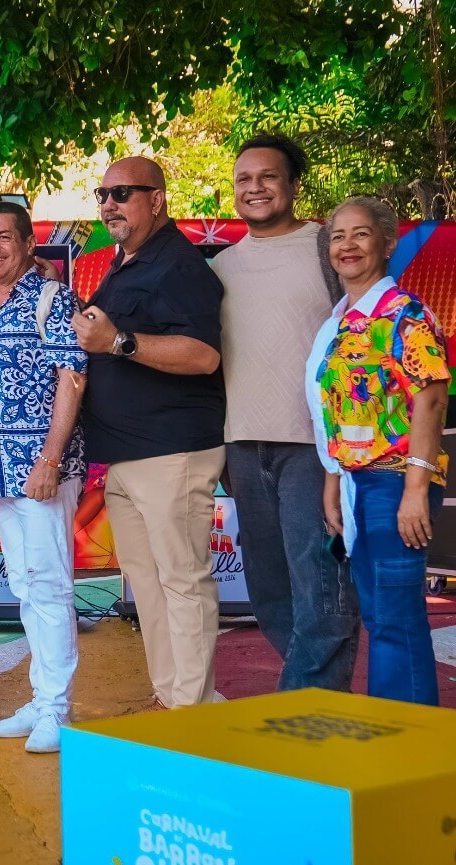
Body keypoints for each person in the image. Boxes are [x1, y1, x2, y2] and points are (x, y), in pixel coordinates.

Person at [71, 156, 226, 709]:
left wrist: (119, 343)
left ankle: (192, 709)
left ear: (156, 199)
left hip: (172, 452)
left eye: (122, 193)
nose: (108, 204)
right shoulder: (127, 263)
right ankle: (172, 697)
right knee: (150, 586)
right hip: (126, 456)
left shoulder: (179, 265)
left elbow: (204, 355)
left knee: (182, 581)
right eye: (102, 195)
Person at [211, 134, 359, 692]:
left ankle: (307, 706)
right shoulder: (221, 266)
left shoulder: (329, 249)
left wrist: (345, 450)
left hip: (315, 449)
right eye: (244, 179)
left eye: (268, 177)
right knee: (269, 590)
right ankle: (315, 695)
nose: (255, 188)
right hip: (243, 446)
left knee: (322, 583)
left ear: (294, 185)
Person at [309, 196, 450, 706]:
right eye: (338, 236)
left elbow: (431, 397)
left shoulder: (404, 314)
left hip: (395, 484)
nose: (347, 245)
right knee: (380, 615)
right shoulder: (343, 320)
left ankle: (410, 735)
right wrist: (333, 480)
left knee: (396, 617)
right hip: (359, 484)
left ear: (387, 243)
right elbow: (339, 409)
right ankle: (397, 727)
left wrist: (415, 488)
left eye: (361, 233)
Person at [0, 202, 86, 754]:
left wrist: (50, 460)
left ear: (27, 245)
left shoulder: (52, 297)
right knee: (24, 586)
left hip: (42, 472)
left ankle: (57, 709)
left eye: (3, 238)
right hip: (0, 473)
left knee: (50, 587)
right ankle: (42, 700)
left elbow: (73, 374)